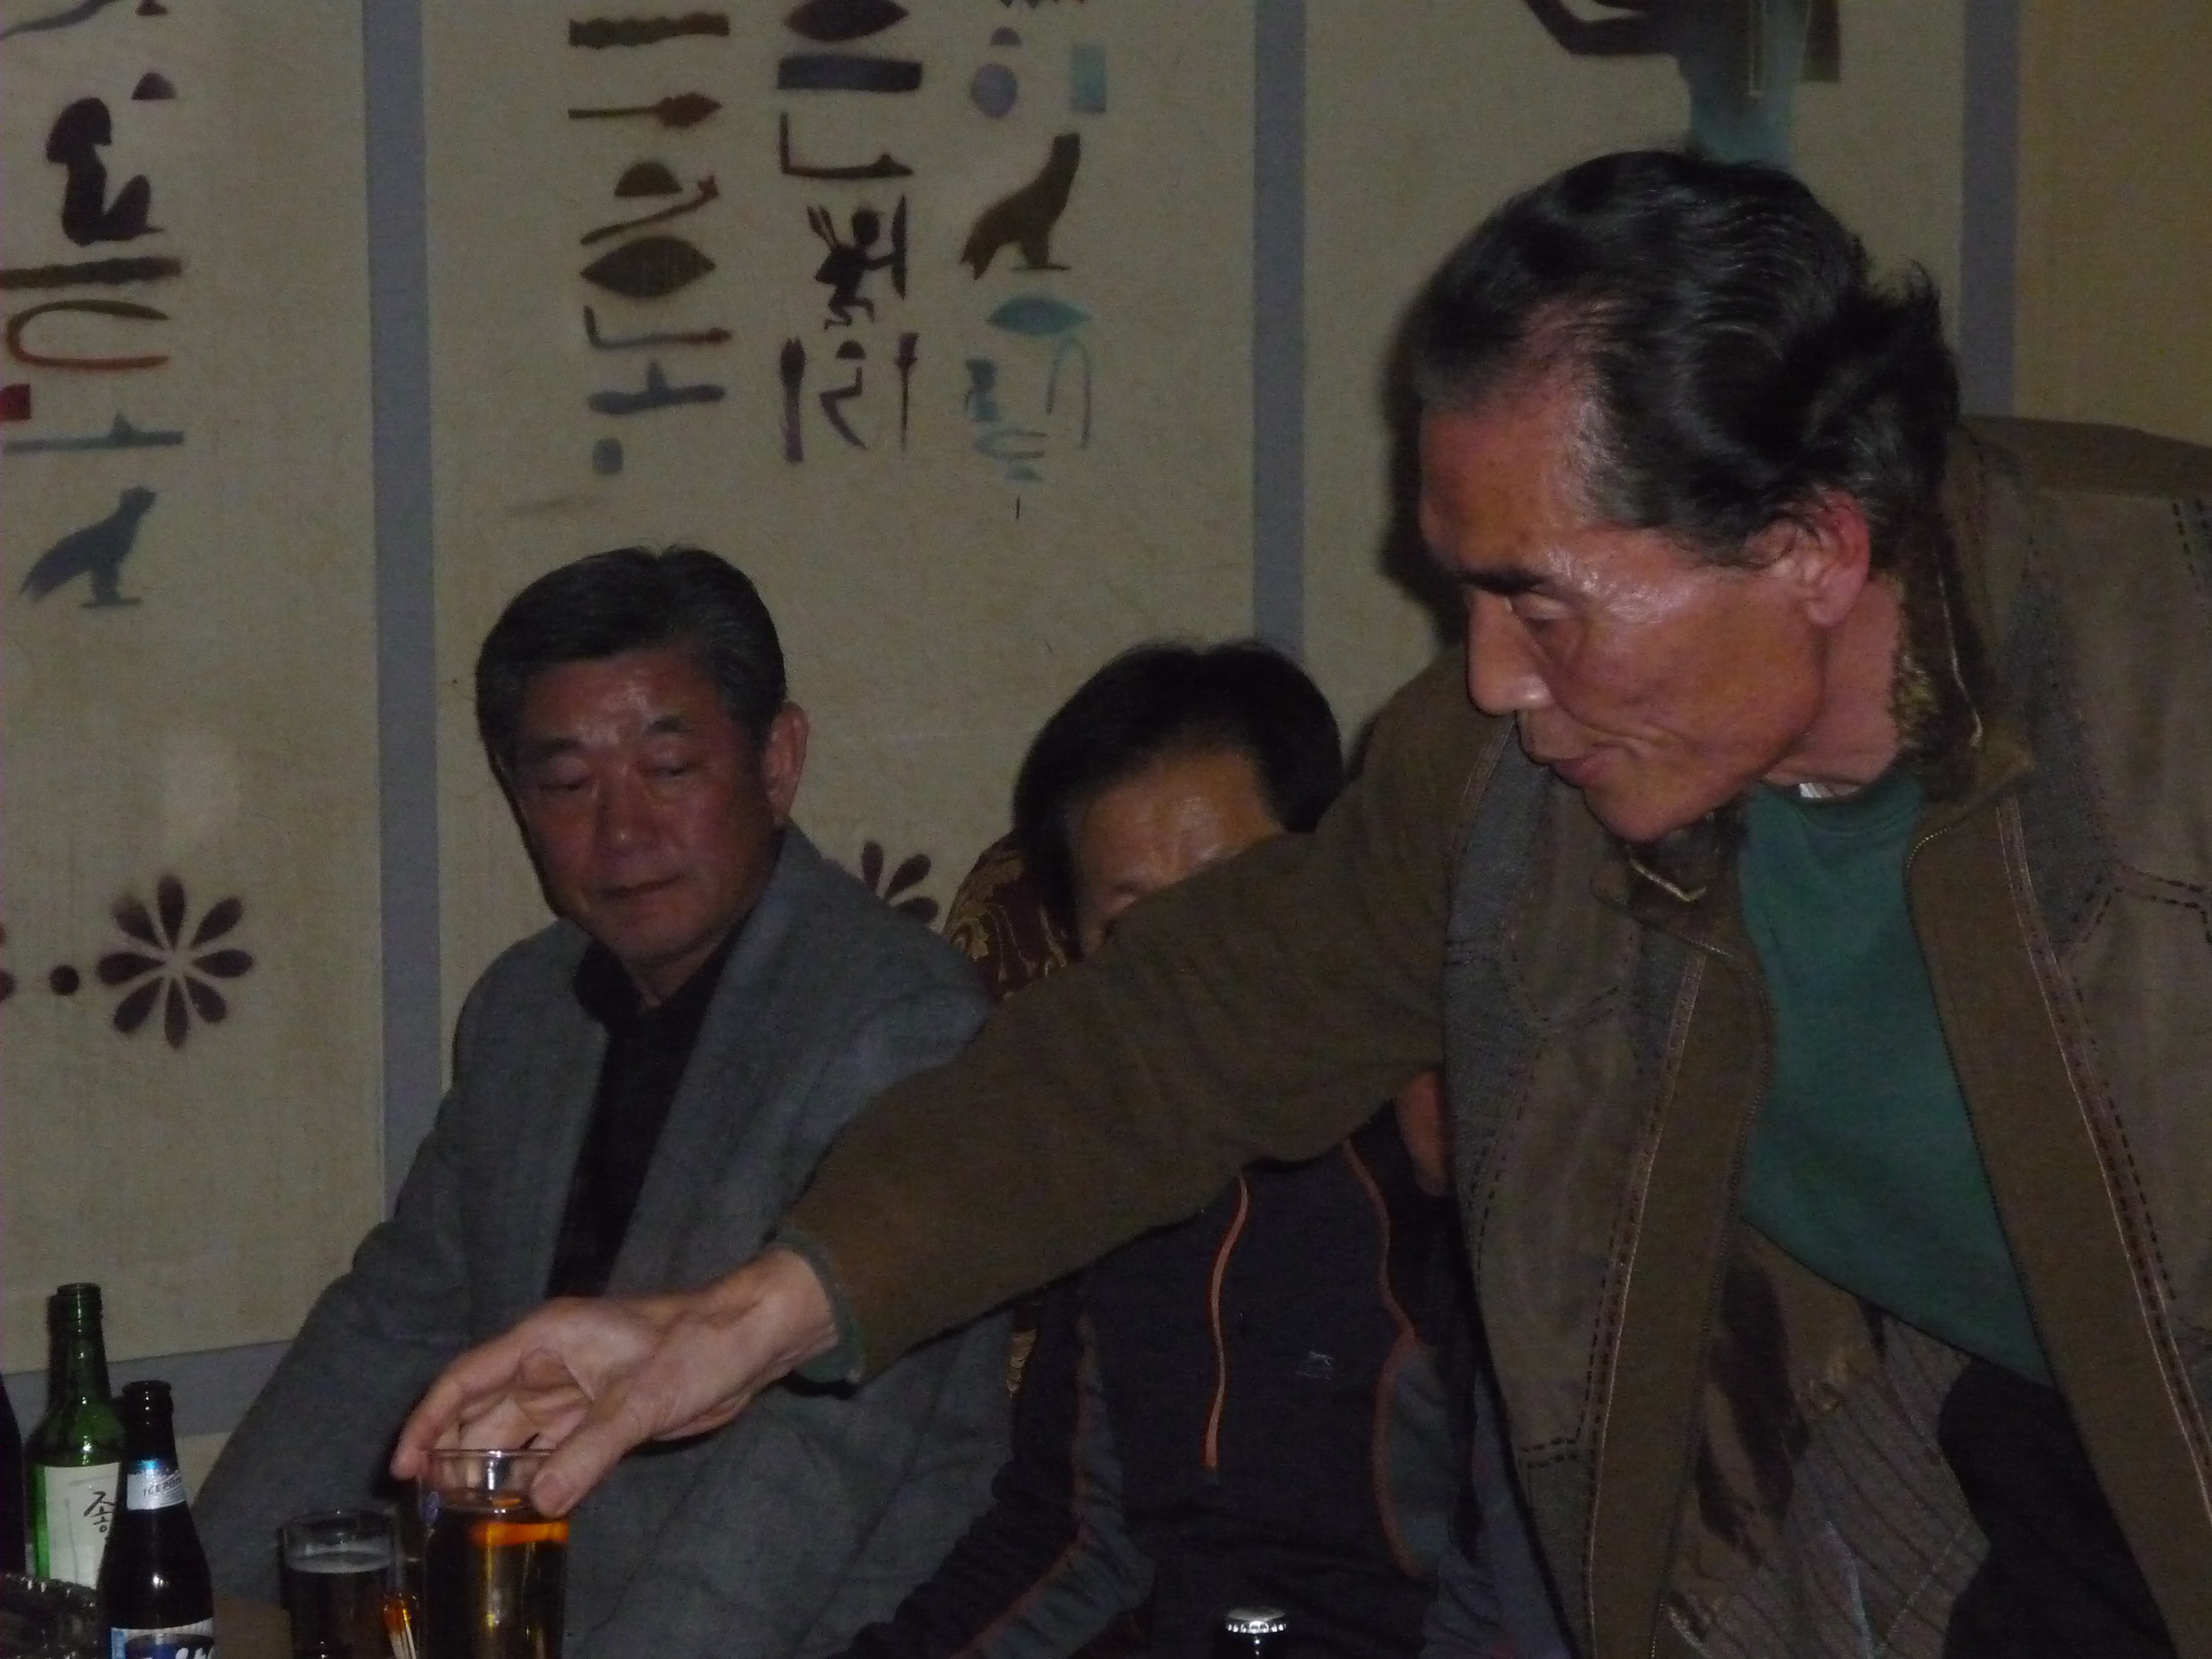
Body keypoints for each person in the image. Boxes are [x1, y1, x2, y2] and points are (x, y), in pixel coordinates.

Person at [395, 154, 2212, 1659]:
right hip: (1974, 1474)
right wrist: (743, 1316)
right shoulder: (1505, 782)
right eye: (1463, 596)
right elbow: (1170, 1042)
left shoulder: (2160, 672)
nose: (1490, 678)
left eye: (1542, 600)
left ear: (1811, 544)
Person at [197, 548, 1010, 1657]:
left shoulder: (894, 1022)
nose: (622, 832)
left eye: (668, 769)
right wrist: (177, 1600)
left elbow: (816, 1464)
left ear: (777, 762)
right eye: (569, 785)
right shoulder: (527, 1008)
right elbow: (389, 1326)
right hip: (520, 1610)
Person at [836, 640, 1562, 1659]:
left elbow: (1526, 1580)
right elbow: (1071, 1540)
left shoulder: (1449, 1160)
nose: (1196, 970)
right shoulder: (1107, 1189)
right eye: (1139, 931)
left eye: (1238, 902)